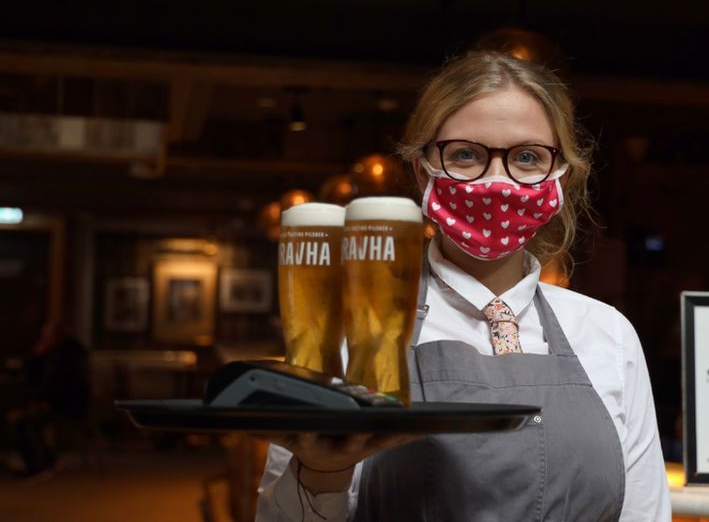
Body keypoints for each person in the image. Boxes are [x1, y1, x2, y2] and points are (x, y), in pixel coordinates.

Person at [256, 51, 671, 521]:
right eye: (466, 155)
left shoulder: (608, 335)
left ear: (561, 178)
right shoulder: (346, 337)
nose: (496, 181)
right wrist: (320, 474)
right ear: (423, 170)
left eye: (528, 157)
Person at [7, 320, 91, 477]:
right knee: (18, 418)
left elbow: (62, 386)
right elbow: (34, 377)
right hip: (55, 402)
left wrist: (45, 402)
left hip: (68, 407)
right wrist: (37, 356)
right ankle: (48, 459)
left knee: (23, 422)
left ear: (57, 336)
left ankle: (39, 464)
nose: (43, 338)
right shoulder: (52, 353)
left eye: (46, 335)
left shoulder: (69, 355)